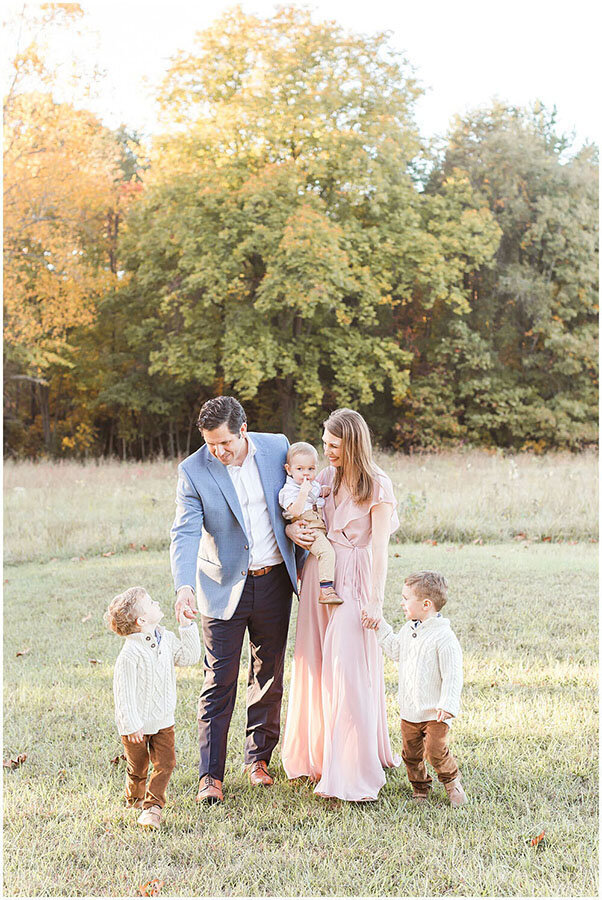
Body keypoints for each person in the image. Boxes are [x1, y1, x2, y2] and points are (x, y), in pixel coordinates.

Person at [170, 396, 304, 803]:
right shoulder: (193, 470)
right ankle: (210, 776)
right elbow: (185, 531)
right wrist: (183, 586)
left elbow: (302, 492)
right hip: (220, 587)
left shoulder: (278, 447)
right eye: (211, 444)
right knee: (219, 680)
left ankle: (257, 759)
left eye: (225, 442)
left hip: (274, 580)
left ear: (243, 430)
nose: (218, 451)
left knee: (269, 672)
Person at [281, 408, 401, 801]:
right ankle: (317, 755)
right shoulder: (327, 477)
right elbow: (303, 513)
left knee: (347, 668)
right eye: (325, 443)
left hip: (355, 578)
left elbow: (381, 549)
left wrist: (376, 600)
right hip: (320, 573)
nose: (327, 450)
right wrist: (290, 528)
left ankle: (351, 769)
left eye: (334, 445)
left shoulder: (378, 485)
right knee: (316, 663)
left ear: (352, 443)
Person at [105, 585, 201, 829]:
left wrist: (186, 626)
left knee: (166, 763)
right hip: (136, 725)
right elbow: (123, 693)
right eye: (151, 603)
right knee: (138, 767)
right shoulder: (130, 654)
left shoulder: (166, 639)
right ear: (142, 619)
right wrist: (131, 724)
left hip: (163, 720)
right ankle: (134, 797)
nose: (157, 603)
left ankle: (152, 807)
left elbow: (189, 657)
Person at [372, 570, 467, 807]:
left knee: (435, 751)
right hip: (410, 711)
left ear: (426, 604)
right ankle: (420, 789)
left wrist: (447, 704)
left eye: (406, 598)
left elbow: (453, 675)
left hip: (436, 712)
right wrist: (379, 626)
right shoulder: (408, 630)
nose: (401, 603)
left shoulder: (444, 638)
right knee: (411, 755)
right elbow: (394, 651)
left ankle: (452, 782)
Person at [278, 441, 342, 606]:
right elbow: (296, 511)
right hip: (306, 527)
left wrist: (322, 490)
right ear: (288, 469)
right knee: (326, 552)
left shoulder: (311, 485)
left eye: (311, 469)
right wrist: (303, 492)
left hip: (318, 524)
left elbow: (317, 493)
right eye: (299, 469)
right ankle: (326, 590)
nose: (305, 474)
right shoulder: (288, 491)